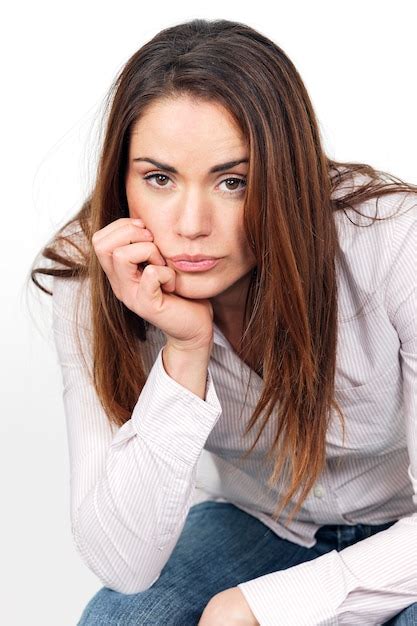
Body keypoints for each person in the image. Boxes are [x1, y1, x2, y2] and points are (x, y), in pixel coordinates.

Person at [30, 18, 417, 626]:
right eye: (159, 178)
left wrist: (265, 606)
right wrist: (183, 350)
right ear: (122, 178)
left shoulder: (393, 243)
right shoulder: (93, 278)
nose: (189, 224)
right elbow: (124, 563)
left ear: (286, 174)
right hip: (263, 524)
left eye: (233, 181)